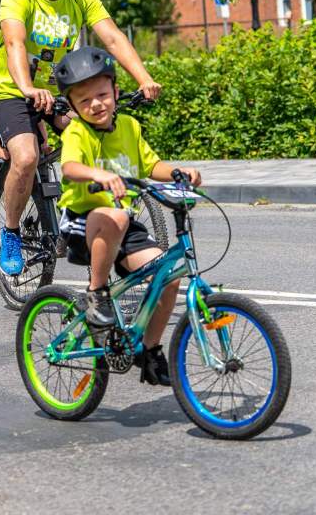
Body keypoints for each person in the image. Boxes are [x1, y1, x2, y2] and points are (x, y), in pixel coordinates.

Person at [0, 0, 162, 276]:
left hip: (59, 93)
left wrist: (144, 78)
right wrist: (26, 88)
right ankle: (10, 231)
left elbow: (111, 37)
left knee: (95, 142)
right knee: (25, 156)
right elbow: (14, 43)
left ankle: (85, 217)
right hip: (11, 90)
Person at [54, 46, 202, 386]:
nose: (96, 104)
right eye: (85, 100)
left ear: (116, 92)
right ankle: (97, 293)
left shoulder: (130, 127)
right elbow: (70, 166)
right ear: (74, 107)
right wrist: (98, 175)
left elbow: (151, 165)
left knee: (169, 275)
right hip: (83, 222)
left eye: (103, 94)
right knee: (117, 218)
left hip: (123, 224)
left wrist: (181, 171)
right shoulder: (78, 133)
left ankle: (149, 352)